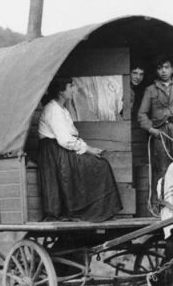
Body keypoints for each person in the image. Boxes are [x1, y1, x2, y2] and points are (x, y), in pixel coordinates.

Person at [38, 76, 123, 222]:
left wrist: (88, 148)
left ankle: (101, 211)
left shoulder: (62, 109)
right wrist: (88, 149)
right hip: (55, 153)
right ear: (60, 91)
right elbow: (65, 140)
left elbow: (71, 135)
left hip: (62, 150)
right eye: (71, 86)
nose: (74, 90)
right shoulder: (53, 110)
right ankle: (89, 211)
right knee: (99, 166)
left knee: (99, 163)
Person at [137, 55, 173, 213]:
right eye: (160, 68)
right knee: (161, 169)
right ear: (156, 70)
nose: (163, 71)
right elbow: (141, 115)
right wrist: (151, 129)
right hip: (160, 133)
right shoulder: (150, 90)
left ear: (172, 69)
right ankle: (159, 207)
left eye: (166, 67)